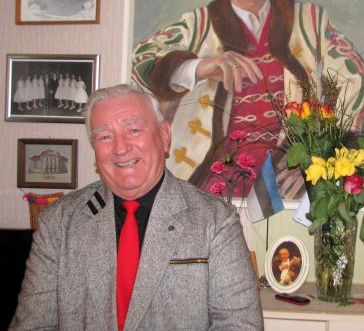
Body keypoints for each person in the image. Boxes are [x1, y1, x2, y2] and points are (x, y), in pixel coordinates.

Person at [132, 0, 364, 198]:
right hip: (211, 178)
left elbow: (357, 79)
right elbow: (141, 61)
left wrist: (318, 155)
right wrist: (199, 66)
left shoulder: (310, 21)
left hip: (287, 180)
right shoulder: (198, 25)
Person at [9, 84, 263, 331]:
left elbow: (240, 325)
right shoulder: (58, 223)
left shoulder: (216, 221)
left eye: (133, 130)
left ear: (164, 136)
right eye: (105, 136)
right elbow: (34, 324)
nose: (120, 148)